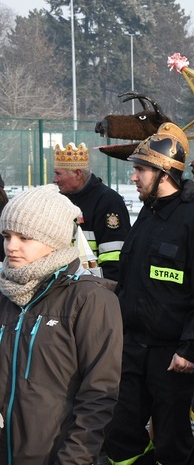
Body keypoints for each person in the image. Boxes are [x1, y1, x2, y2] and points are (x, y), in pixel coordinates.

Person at [104, 123, 194, 465]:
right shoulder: (147, 214)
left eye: (141, 170)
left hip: (174, 361)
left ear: (165, 173)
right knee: (120, 436)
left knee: (174, 445)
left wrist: (190, 348)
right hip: (133, 351)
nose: (134, 177)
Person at [0, 184, 123, 463]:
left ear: (54, 239)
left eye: (25, 237)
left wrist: (73, 459)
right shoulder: (5, 294)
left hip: (54, 455)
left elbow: (98, 396)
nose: (11, 246)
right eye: (7, 235)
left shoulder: (91, 299)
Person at [53, 142, 131, 281]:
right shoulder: (60, 200)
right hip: (67, 285)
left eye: (58, 174)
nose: (55, 180)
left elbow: (114, 257)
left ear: (78, 173)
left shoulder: (108, 201)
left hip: (94, 288)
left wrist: (103, 289)